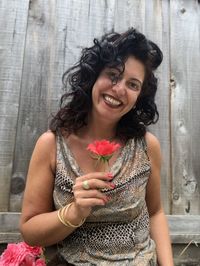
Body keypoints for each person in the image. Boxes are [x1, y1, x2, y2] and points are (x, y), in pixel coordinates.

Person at [20, 28, 174, 266]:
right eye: (113, 74)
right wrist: (74, 212)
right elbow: (30, 230)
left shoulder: (146, 146)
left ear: (139, 97)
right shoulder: (51, 145)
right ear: (93, 76)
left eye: (133, 84)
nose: (119, 89)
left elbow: (155, 213)